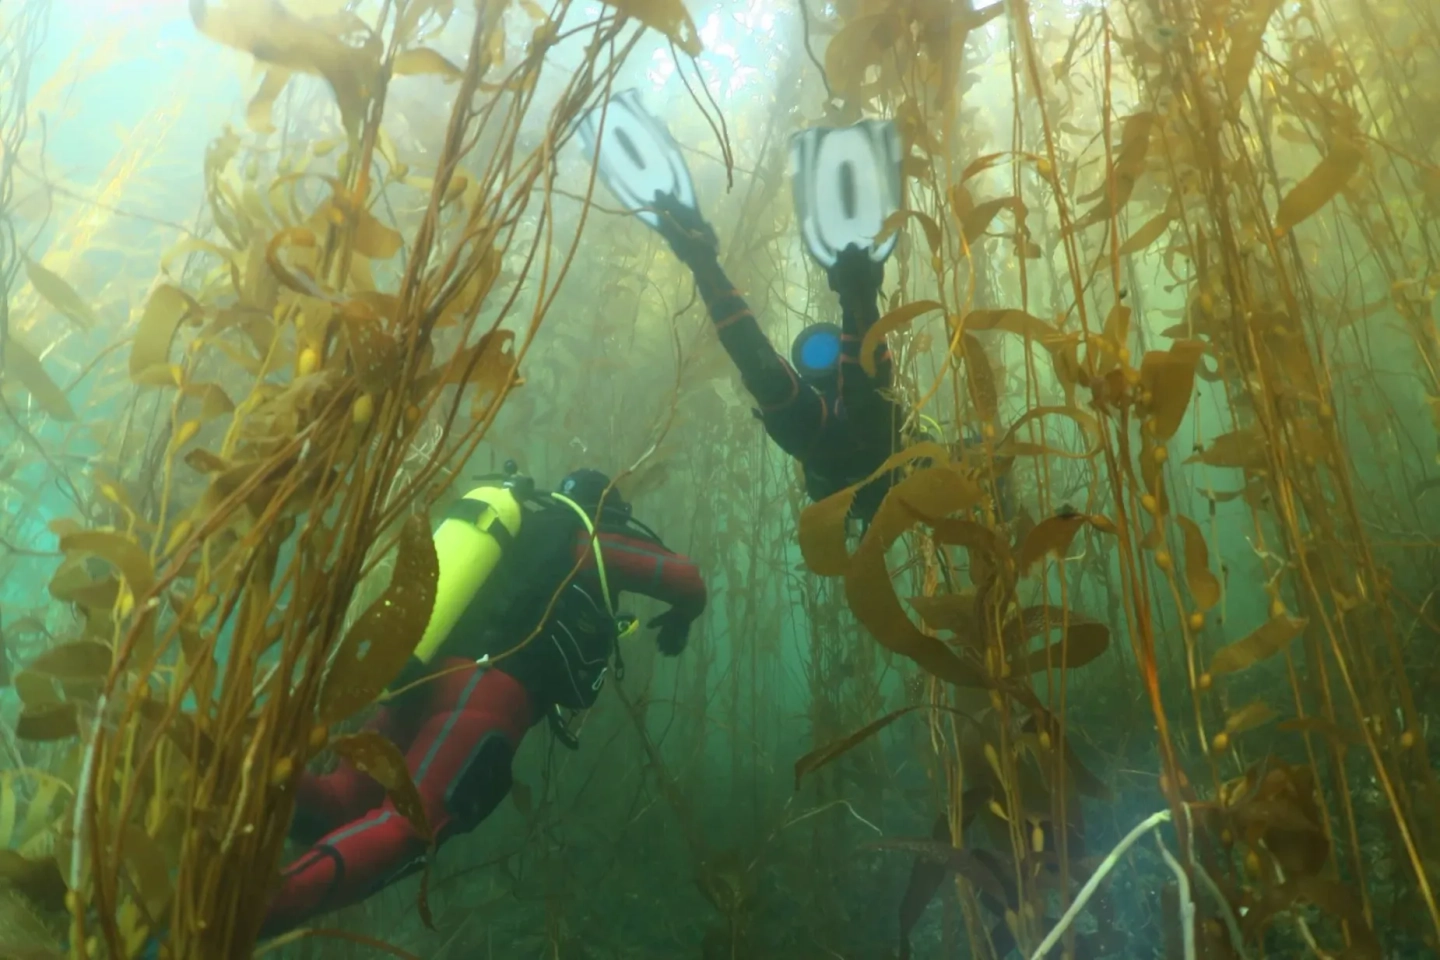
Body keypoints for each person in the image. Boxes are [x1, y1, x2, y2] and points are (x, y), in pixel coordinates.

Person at [260, 466, 707, 937]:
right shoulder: (585, 538)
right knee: (407, 828)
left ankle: (235, 780)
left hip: (419, 680)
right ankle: (252, 914)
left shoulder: (509, 532)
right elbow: (687, 578)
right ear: (606, 512)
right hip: (484, 695)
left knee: (338, 798)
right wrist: (683, 616)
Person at [652, 193, 903, 523]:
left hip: (830, 458)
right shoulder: (852, 421)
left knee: (770, 382)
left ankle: (858, 296)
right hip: (877, 453)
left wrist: (703, 265)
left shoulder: (814, 431)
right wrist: (860, 299)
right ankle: (859, 295)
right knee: (864, 400)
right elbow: (864, 386)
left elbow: (755, 357)